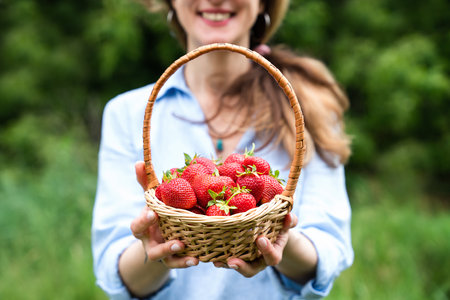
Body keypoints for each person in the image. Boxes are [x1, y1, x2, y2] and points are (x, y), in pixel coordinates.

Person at [92, 0, 354, 299]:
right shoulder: (127, 114)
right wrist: (159, 247)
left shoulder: (309, 105)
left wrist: (277, 239)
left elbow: (329, 254)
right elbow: (114, 276)